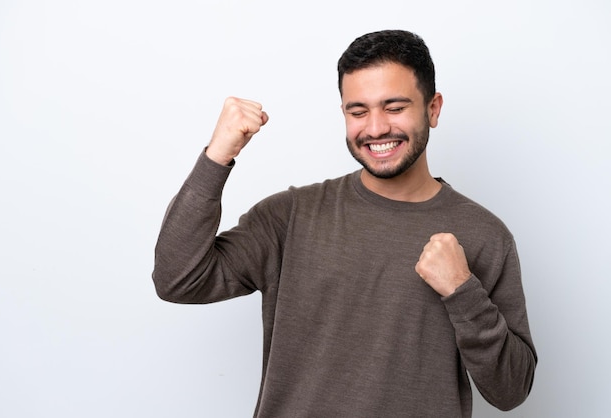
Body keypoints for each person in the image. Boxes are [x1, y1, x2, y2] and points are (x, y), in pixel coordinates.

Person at [152, 29, 537, 418]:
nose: (374, 128)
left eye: (395, 107)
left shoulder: (485, 235)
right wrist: (218, 155)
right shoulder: (291, 216)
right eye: (358, 111)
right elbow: (178, 279)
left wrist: (462, 292)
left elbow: (511, 391)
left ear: (433, 109)